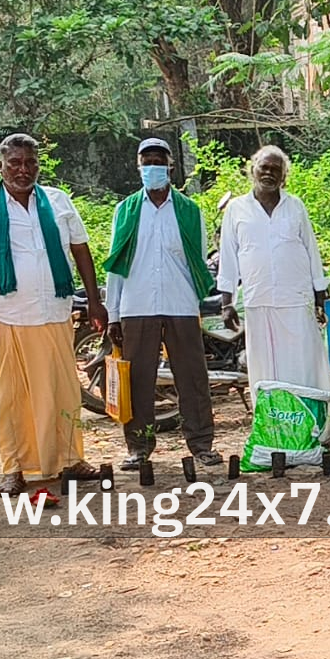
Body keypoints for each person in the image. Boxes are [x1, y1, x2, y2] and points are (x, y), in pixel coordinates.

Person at [0, 134, 108, 495]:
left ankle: (71, 460)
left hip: (55, 311)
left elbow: (80, 250)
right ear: (1, 166)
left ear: (38, 165)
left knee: (63, 391)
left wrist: (93, 299)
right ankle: (15, 468)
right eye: (14, 163)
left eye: (30, 163)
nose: (23, 170)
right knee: (14, 396)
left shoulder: (58, 201)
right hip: (9, 316)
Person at [105, 138, 221, 471]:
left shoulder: (188, 210)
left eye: (159, 161)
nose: (153, 167)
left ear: (170, 165)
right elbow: (116, 264)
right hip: (136, 304)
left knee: (193, 378)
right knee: (139, 380)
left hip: (181, 304)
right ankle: (139, 447)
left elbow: (198, 260)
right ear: (138, 166)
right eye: (147, 161)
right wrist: (113, 313)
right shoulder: (125, 211)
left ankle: (201, 444)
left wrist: (198, 300)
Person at [218, 145, 330, 441]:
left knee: (305, 364)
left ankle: (315, 431)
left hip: (296, 300)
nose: (269, 173)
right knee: (266, 370)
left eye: (275, 169)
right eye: (264, 167)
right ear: (252, 170)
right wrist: (226, 302)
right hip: (258, 302)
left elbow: (311, 250)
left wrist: (320, 293)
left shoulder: (295, 206)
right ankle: (274, 433)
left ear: (284, 176)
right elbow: (228, 257)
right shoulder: (236, 209)